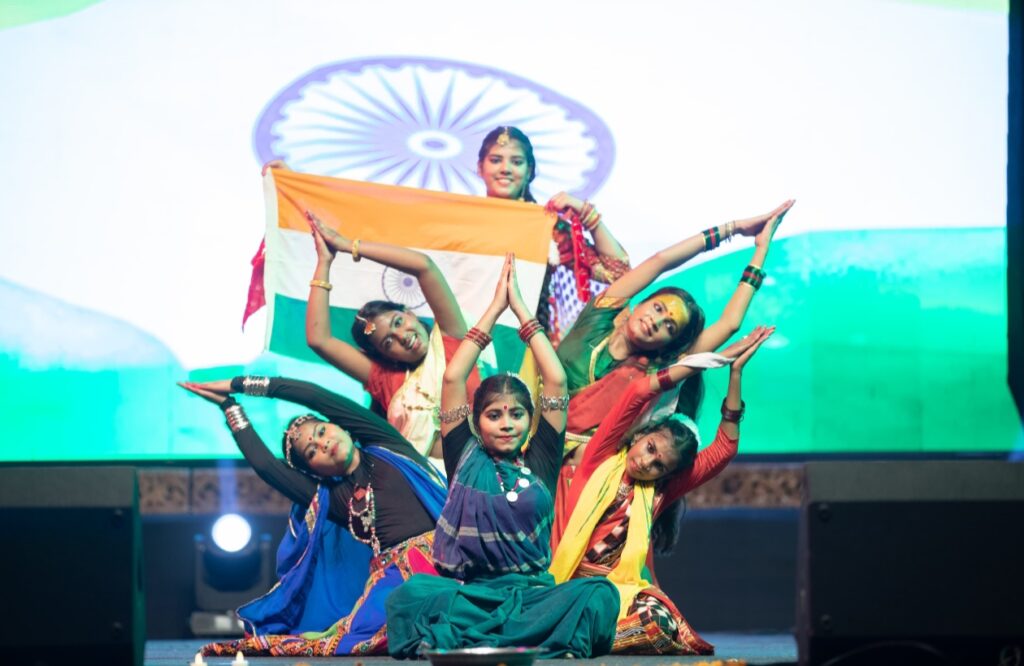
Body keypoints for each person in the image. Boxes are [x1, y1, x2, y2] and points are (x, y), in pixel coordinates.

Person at [385, 255, 619, 659]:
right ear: (476, 422)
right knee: (411, 596)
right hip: (474, 595)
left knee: (600, 594)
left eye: (516, 415)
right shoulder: (465, 456)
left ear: (530, 420)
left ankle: (482, 638)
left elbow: (556, 379)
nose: (507, 424)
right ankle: (534, 640)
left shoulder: (540, 461)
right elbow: (453, 377)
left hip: (532, 597)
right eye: (494, 415)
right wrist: (494, 309)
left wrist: (524, 313)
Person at [179, 376, 447, 657]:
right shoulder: (336, 500)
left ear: (337, 424)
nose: (322, 443)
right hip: (395, 579)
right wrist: (230, 408)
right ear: (314, 471)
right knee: (372, 628)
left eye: (320, 431)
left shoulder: (385, 444)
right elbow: (267, 467)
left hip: (449, 558)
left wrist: (239, 384)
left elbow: (315, 396)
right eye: (311, 451)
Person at [549, 325, 773, 655]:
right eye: (650, 448)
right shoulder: (600, 456)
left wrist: (735, 374)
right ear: (641, 435)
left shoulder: (657, 492)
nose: (646, 462)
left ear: (667, 475)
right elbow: (638, 392)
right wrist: (711, 361)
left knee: (659, 622)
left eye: (659, 465)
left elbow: (723, 449)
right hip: (566, 585)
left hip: (616, 593)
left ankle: (581, 634)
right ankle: (581, 632)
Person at [305, 212, 481, 460]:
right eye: (388, 342)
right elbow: (318, 339)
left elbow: (424, 266)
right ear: (387, 356)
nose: (402, 336)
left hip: (486, 470)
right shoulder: (388, 381)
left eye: (398, 322)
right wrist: (324, 262)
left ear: (409, 313)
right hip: (425, 480)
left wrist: (349, 246)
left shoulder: (451, 338)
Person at [476, 125, 631, 342]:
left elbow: (617, 272)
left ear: (529, 171)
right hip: (468, 331)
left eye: (516, 162)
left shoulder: (546, 227)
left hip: (527, 343)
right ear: (479, 167)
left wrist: (586, 213)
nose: (505, 169)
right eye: (495, 160)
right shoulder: (464, 221)